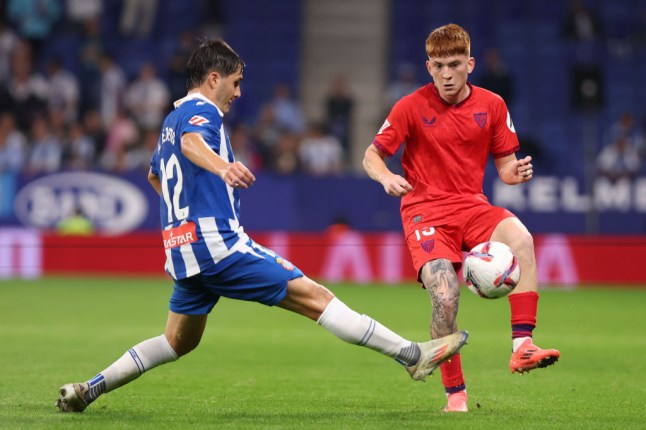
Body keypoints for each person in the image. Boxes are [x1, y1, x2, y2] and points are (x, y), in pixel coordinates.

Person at [56, 39, 468, 413]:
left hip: (183, 249)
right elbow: (191, 145)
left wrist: (183, 218)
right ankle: (412, 356)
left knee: (176, 341)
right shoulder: (202, 112)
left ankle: (89, 389)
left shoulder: (170, 120)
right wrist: (224, 168)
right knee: (316, 297)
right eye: (234, 83)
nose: (237, 93)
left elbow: (155, 177)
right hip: (218, 244)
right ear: (213, 78)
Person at [362, 24, 560, 413]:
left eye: (454, 64)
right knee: (446, 297)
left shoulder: (493, 105)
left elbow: (504, 168)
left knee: (521, 238)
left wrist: (514, 174)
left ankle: (522, 346)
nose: (447, 74)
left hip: (471, 206)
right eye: (438, 66)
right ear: (428, 67)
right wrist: (386, 176)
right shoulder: (409, 107)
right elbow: (371, 154)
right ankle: (456, 395)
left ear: (470, 64)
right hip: (425, 212)